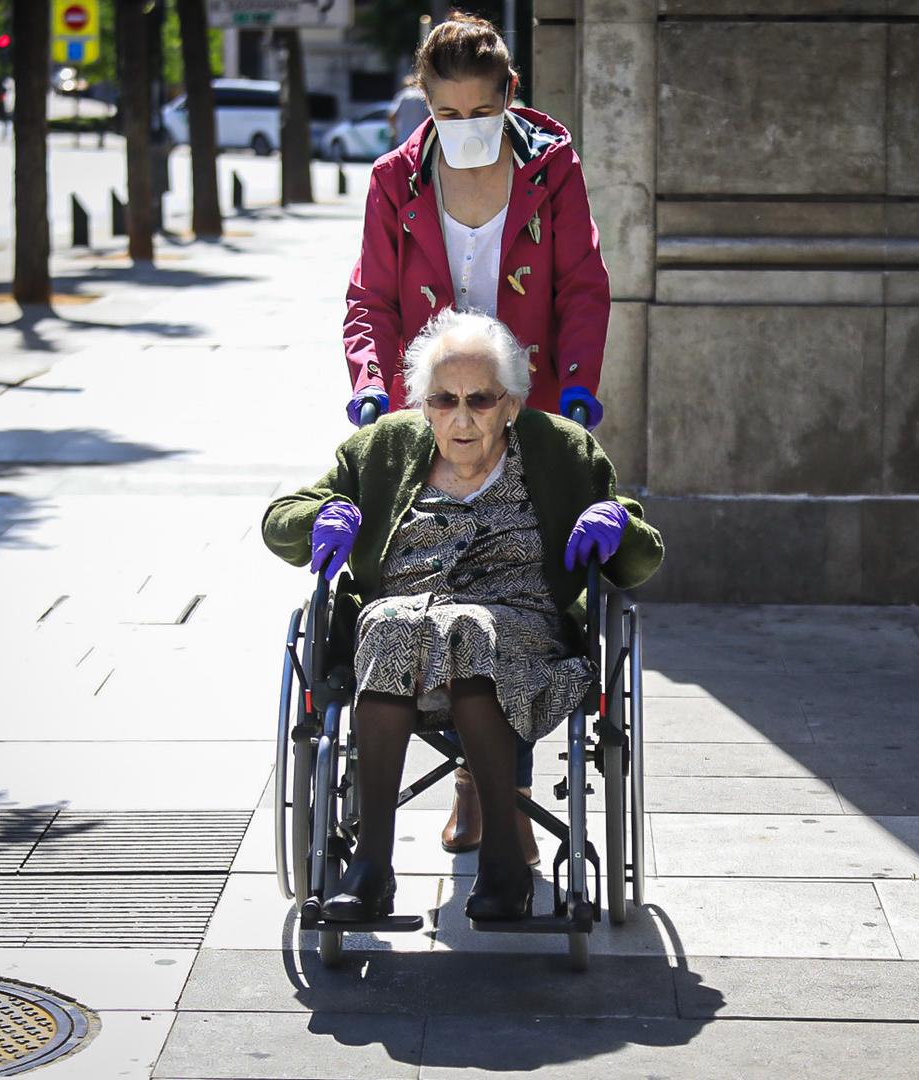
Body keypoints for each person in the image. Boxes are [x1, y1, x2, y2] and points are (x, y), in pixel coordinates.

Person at [264, 310, 663, 921]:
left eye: (480, 399)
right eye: (444, 399)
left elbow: (640, 555)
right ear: (424, 405)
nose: (462, 416)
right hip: (398, 636)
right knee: (391, 623)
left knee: (466, 627)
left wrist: (615, 523)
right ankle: (370, 866)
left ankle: (505, 861)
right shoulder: (382, 448)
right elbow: (281, 519)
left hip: (521, 636)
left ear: (512, 404)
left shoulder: (561, 449)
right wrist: (320, 517)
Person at [344, 11, 612, 858]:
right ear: (424, 104)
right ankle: (474, 788)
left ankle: (499, 795)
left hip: (523, 405)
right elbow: (370, 298)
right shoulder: (395, 180)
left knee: (513, 585)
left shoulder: (552, 168)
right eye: (446, 114)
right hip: (433, 408)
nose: (464, 129)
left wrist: (578, 385)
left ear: (510, 95)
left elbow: (581, 281)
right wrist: (373, 389)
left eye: (481, 113)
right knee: (430, 579)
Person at [386, 73, 429, 153]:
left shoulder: (403, 96)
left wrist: (394, 130)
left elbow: (392, 115)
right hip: (420, 138)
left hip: (403, 137)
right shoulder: (424, 96)